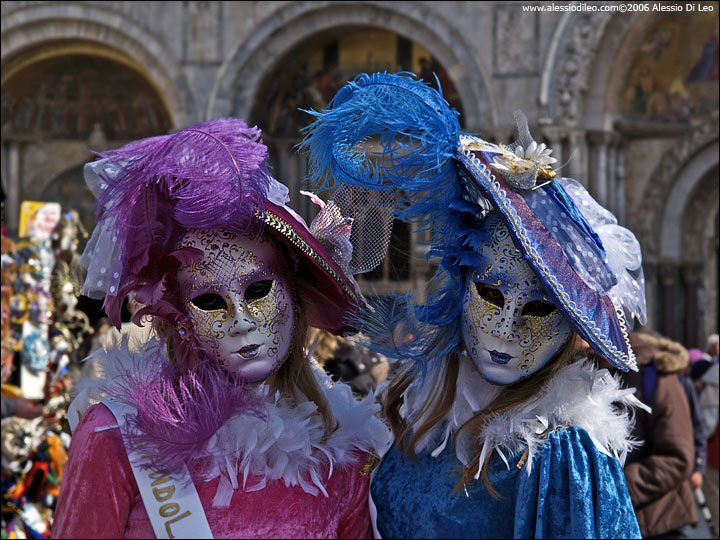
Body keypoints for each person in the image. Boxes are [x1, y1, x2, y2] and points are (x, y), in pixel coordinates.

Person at [300, 72, 648, 538]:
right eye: (491, 294)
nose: (506, 329)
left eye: (540, 310)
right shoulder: (420, 407)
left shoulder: (563, 453)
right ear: (460, 291)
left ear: (570, 326)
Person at [53, 118, 389, 538]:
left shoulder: (340, 451)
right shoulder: (119, 438)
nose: (241, 322)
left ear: (294, 292)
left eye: (258, 290)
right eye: (209, 301)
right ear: (178, 314)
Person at [621, 331, 698, 538]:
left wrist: (614, 486)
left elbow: (678, 456)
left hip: (655, 520)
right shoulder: (582, 370)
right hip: (617, 522)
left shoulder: (654, 375)